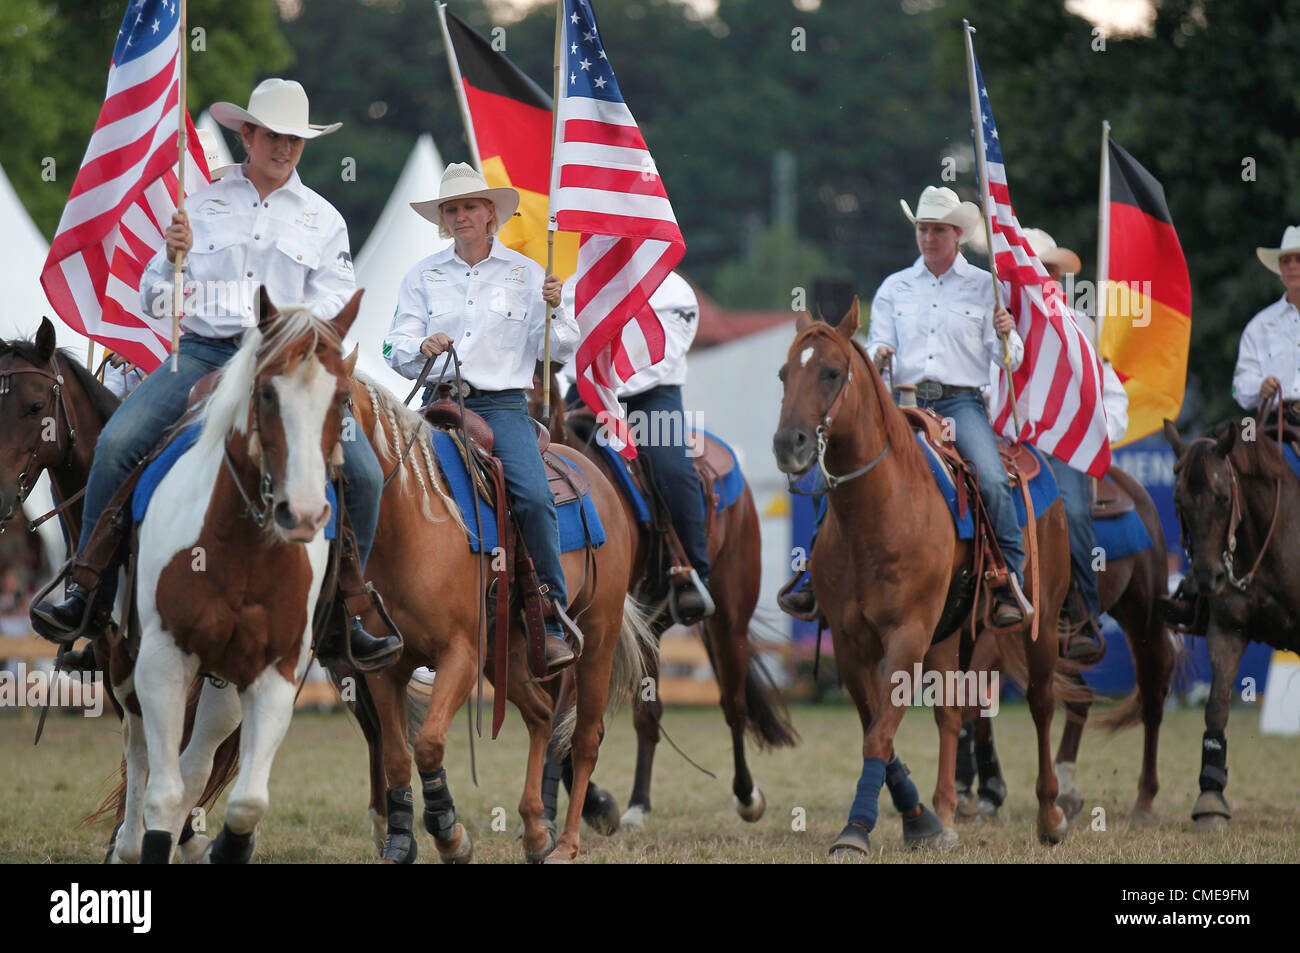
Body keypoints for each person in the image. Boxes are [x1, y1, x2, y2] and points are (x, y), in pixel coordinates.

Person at [31, 79, 401, 670]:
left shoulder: (323, 220)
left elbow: (333, 314)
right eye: (273, 136)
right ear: (246, 134)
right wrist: (173, 262)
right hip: (201, 354)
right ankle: (88, 593)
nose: (284, 148)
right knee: (119, 442)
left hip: (284, 368)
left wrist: (292, 343)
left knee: (363, 474)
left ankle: (343, 614)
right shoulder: (196, 206)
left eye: (295, 140)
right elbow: (153, 298)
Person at [780, 186, 1027, 626]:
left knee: (989, 476)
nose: (928, 237)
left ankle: (1006, 578)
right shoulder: (896, 287)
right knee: (826, 471)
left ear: (957, 234)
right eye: (922, 229)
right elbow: (880, 344)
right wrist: (879, 357)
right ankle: (813, 573)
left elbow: (1008, 360)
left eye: (937, 230)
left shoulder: (984, 286)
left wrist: (1007, 334)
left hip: (961, 404)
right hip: (901, 403)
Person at [383, 163, 580, 669]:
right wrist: (419, 345)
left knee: (534, 497)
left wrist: (555, 310)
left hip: (502, 406)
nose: (461, 215)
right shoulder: (421, 274)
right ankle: (374, 604)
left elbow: (559, 349)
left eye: (470, 206)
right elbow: (393, 344)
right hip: (437, 402)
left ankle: (551, 612)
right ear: (443, 220)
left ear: (491, 214)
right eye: (452, 209)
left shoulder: (529, 275)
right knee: (381, 479)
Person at [560, 270, 714, 622]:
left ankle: (693, 573)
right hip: (585, 389)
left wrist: (608, 400)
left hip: (650, 396)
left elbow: (659, 361)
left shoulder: (676, 292)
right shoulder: (573, 284)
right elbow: (563, 349)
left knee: (672, 470)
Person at [1022, 228, 1128, 661]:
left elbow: (1110, 392)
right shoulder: (998, 319)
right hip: (1008, 439)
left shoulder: (1079, 324)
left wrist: (1100, 432)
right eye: (1035, 271)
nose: (1043, 279)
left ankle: (1083, 611)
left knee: (1074, 508)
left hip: (1063, 443)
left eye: (1048, 271)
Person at [1232, 225, 1300, 419]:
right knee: (1241, 443)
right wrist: (1260, 386)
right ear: (1280, 269)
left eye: (1298, 260)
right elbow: (1239, 386)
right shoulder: (1259, 326)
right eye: (1286, 261)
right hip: (1276, 422)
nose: (1292, 266)